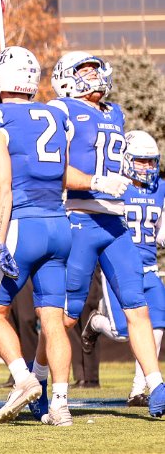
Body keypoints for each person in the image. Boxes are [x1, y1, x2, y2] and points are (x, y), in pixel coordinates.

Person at [48, 52, 165, 418]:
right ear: (65, 78)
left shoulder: (115, 113)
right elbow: (53, 168)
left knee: (138, 307)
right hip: (79, 218)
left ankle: (156, 385)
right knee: (63, 317)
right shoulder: (60, 110)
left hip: (115, 224)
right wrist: (96, 181)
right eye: (85, 71)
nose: (95, 76)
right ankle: (45, 386)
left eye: (96, 70)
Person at [0, 47, 78, 425]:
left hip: (23, 225)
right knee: (52, 320)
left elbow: (3, 184)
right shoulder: (56, 112)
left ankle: (23, 379)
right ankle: (61, 405)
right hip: (59, 224)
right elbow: (62, 172)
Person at [87, 131, 165, 407]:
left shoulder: (161, 188)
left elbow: (160, 231)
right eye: (141, 161)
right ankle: (96, 322)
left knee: (156, 326)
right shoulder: (116, 186)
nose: (146, 167)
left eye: (150, 161)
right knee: (123, 331)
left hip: (150, 267)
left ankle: (139, 389)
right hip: (120, 266)